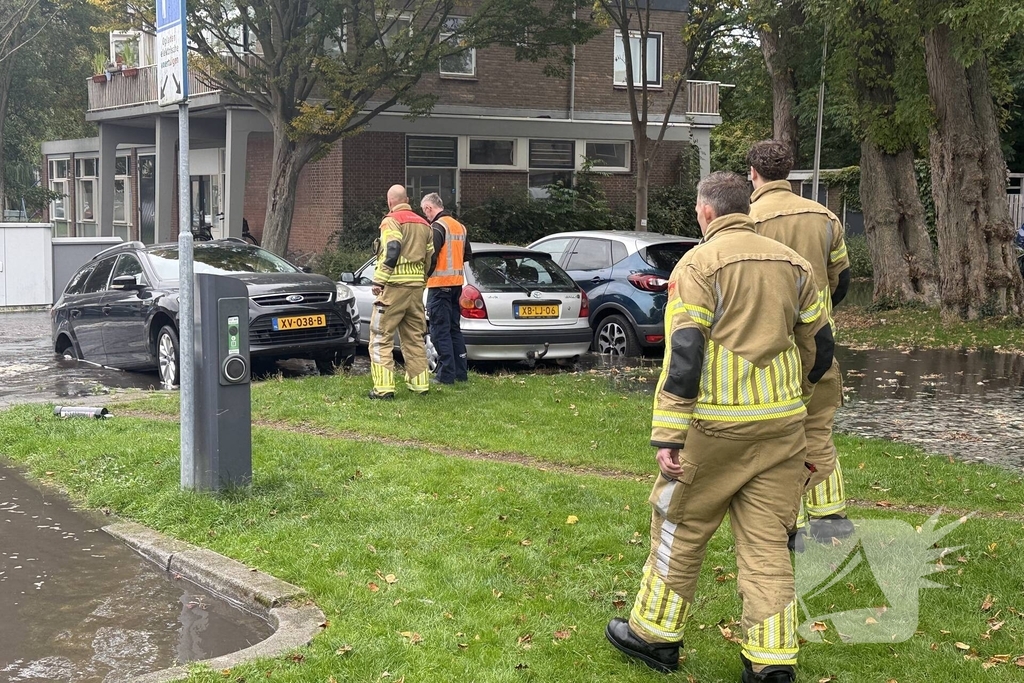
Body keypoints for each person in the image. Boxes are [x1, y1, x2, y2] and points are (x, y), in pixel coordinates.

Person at [605, 171, 834, 683]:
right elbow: (822, 352)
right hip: (781, 429)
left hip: (714, 428)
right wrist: (800, 412)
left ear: (705, 213)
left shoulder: (698, 264)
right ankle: (772, 662)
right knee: (767, 543)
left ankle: (654, 636)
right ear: (747, 210)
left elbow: (684, 355)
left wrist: (669, 433)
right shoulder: (795, 265)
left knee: (678, 526)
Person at [746, 140, 853, 550]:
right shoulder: (825, 218)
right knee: (818, 429)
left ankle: (780, 521)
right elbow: (841, 279)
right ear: (788, 172)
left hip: (767, 347)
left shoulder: (746, 220)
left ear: (753, 174)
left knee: (774, 441)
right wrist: (819, 313)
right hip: (818, 344)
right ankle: (831, 518)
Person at [368, 185, 434, 399]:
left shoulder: (391, 220)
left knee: (380, 336)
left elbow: (393, 249)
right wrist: (422, 280)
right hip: (415, 289)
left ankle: (384, 389)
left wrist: (380, 279)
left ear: (390, 202)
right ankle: (420, 385)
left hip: (394, 288)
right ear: (407, 199)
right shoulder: (424, 223)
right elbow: (430, 258)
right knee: (414, 337)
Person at [421, 192, 471, 384]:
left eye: (425, 211)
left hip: (439, 285)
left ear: (429, 208)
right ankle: (460, 372)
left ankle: (445, 375)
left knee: (439, 331)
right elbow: (467, 255)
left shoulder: (437, 226)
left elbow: (431, 256)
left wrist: (426, 275)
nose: (425, 215)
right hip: (456, 285)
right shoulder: (460, 227)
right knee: (454, 330)